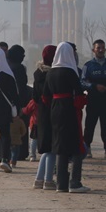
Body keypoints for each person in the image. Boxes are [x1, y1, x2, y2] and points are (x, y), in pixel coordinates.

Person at [44, 42, 90, 193]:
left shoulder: (50, 72)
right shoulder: (71, 72)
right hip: (69, 109)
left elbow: (45, 97)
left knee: (60, 146)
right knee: (77, 145)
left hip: (54, 110)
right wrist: (84, 100)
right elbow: (78, 96)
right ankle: (75, 183)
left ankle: (61, 184)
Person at [82, 39, 106, 160]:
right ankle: (87, 149)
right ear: (93, 50)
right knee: (89, 125)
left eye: (103, 48)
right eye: (98, 48)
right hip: (93, 100)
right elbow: (82, 82)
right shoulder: (88, 66)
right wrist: (94, 86)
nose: (101, 50)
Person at [32, 45, 58, 190]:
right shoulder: (53, 75)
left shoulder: (37, 74)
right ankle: (48, 180)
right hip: (52, 112)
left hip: (41, 113)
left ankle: (39, 179)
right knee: (52, 148)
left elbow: (35, 97)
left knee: (46, 148)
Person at [6, 45, 31, 166]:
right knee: (22, 129)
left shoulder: (6, 66)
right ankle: (21, 152)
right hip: (21, 102)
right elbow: (21, 88)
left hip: (11, 103)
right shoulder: (19, 68)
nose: (23, 56)